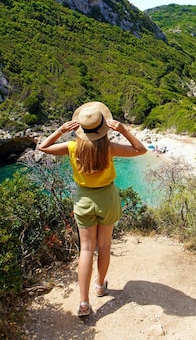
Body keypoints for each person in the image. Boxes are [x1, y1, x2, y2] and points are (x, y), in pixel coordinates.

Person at [37, 101, 147, 317]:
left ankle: (84, 302)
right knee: (104, 246)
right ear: (103, 127)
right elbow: (140, 150)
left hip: (84, 201)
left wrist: (61, 130)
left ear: (79, 128)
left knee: (86, 250)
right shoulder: (110, 147)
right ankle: (99, 286)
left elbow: (42, 147)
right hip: (107, 198)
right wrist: (123, 130)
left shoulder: (71, 147)